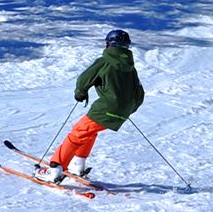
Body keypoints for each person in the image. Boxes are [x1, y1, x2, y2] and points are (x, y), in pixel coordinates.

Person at [36, 28, 145, 184]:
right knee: (88, 131)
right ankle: (77, 165)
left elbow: (84, 79)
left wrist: (80, 93)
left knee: (77, 133)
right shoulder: (130, 69)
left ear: (108, 45)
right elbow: (140, 94)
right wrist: (127, 109)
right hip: (124, 111)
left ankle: (54, 170)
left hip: (106, 108)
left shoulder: (104, 61)